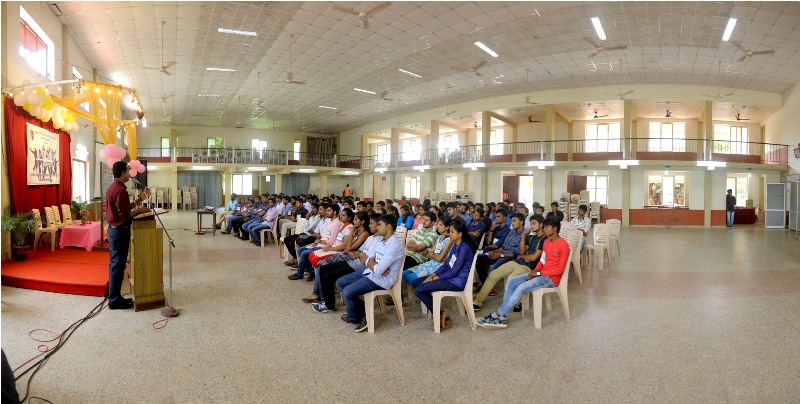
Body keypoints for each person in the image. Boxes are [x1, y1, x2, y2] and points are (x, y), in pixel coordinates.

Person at [478, 216, 570, 329]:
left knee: (521, 287)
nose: (545, 229)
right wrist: (534, 272)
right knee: (511, 282)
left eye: (547, 227)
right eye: (545, 227)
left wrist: (538, 274)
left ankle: (496, 314)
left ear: (555, 229)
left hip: (551, 278)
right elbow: (542, 260)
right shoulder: (547, 242)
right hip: (540, 273)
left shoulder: (563, 245)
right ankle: (502, 318)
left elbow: (560, 269)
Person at [334, 214, 404, 332]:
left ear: (388, 227)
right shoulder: (381, 241)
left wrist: (373, 264)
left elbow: (376, 268)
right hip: (370, 273)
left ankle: (355, 317)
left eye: (379, 225)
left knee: (347, 291)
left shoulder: (394, 246)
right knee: (340, 282)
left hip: (382, 280)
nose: (377, 227)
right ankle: (363, 313)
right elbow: (365, 259)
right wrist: (373, 264)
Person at [413, 217, 478, 330]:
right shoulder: (456, 245)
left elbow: (453, 272)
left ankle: (440, 314)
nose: (450, 234)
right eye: (449, 231)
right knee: (416, 282)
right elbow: (446, 265)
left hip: (456, 282)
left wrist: (435, 278)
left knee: (419, 289)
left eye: (452, 232)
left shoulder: (464, 249)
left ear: (460, 234)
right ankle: (440, 312)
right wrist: (432, 275)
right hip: (448, 277)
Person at [473, 214, 546, 311]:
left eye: (534, 223)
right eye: (531, 223)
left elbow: (533, 258)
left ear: (541, 225)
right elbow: (522, 252)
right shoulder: (531, 237)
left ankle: (516, 303)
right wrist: (523, 236)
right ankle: (478, 301)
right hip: (518, 261)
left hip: (529, 266)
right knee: (493, 274)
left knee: (512, 278)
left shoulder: (544, 239)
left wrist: (522, 256)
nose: (531, 226)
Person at [106, 161, 151, 310]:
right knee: (117, 266)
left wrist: (139, 200)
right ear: (123, 173)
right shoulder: (119, 190)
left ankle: (116, 297)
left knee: (117, 265)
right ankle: (114, 300)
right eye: (127, 170)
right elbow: (125, 215)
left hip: (116, 231)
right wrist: (140, 210)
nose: (129, 173)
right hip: (119, 232)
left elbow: (124, 208)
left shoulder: (115, 188)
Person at [289, 204, 342, 280]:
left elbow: (330, 242)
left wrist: (319, 241)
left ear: (334, 212)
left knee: (304, 253)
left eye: (329, 210)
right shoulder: (330, 222)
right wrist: (317, 241)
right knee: (300, 250)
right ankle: (311, 271)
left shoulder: (336, 223)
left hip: (325, 246)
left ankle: (299, 273)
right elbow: (322, 235)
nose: (327, 212)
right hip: (320, 243)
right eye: (326, 210)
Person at [475, 212, 525, 287]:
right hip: (501, 254)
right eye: (512, 221)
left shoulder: (524, 234)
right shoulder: (512, 232)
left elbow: (516, 253)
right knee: (478, 258)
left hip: (509, 257)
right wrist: (494, 252)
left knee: (492, 269)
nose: (512, 223)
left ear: (521, 222)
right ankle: (484, 284)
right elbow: (503, 247)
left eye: (515, 221)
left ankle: (486, 288)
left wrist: (500, 255)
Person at [402, 217, 453, 286]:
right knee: (404, 274)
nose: (438, 226)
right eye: (438, 224)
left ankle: (420, 289)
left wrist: (434, 256)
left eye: (440, 225)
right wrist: (435, 256)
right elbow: (430, 254)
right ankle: (416, 289)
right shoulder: (439, 237)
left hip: (439, 266)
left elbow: (439, 259)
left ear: (447, 227)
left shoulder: (449, 240)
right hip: (431, 262)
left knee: (410, 278)